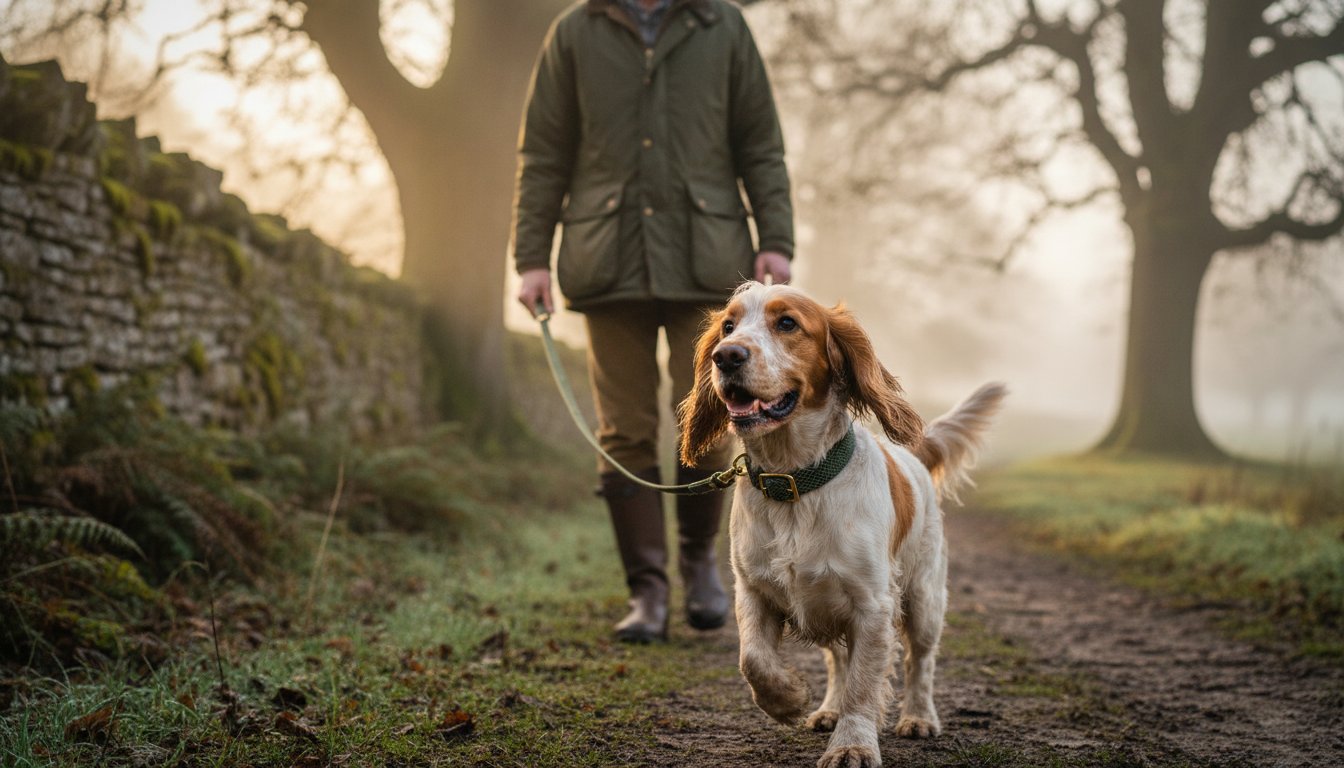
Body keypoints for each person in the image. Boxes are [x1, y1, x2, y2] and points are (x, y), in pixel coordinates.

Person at [510, 0, 793, 643]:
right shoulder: (574, 32)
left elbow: (760, 142)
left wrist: (775, 235)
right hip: (606, 264)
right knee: (625, 428)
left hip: (709, 261)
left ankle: (700, 566)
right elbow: (544, 154)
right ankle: (647, 592)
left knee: (710, 414)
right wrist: (531, 258)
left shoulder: (722, 25)